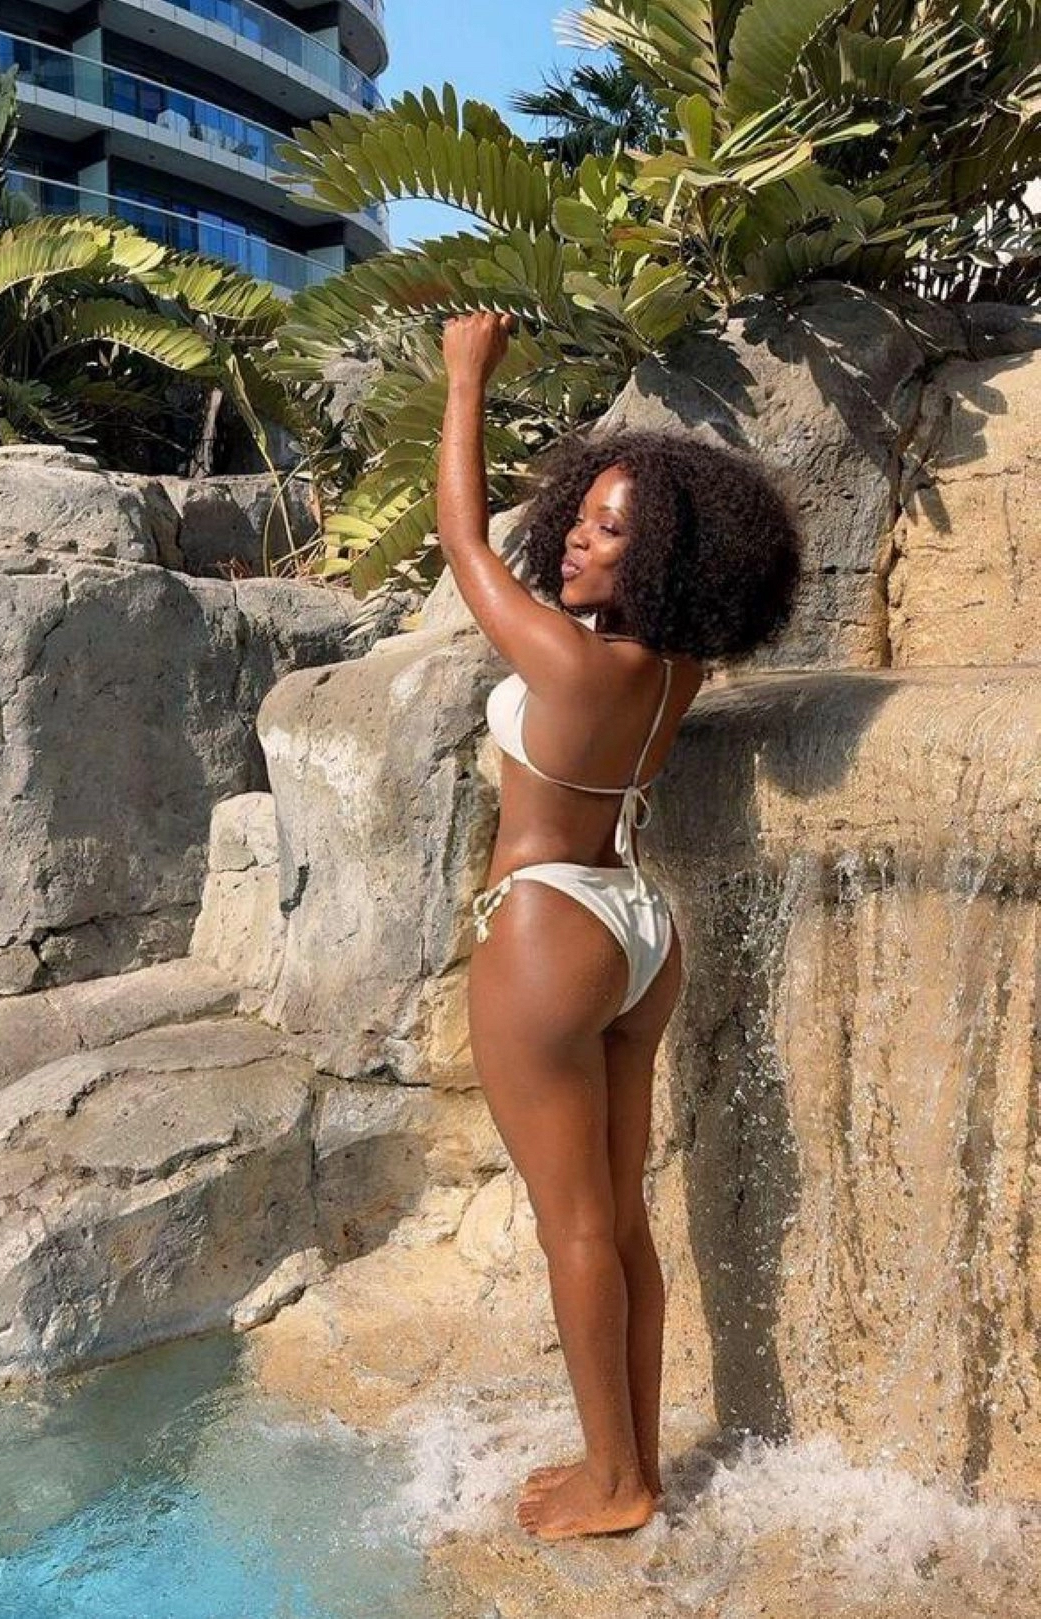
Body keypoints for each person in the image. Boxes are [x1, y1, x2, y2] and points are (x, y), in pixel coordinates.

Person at [438, 309, 802, 1543]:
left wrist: (468, 378)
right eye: (583, 518)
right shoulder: (673, 667)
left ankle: (617, 1480)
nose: (577, 541)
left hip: (548, 929)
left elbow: (460, 539)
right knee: (621, 1217)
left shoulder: (570, 663)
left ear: (663, 561)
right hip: (640, 931)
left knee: (577, 1224)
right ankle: (629, 1457)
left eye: (608, 531)